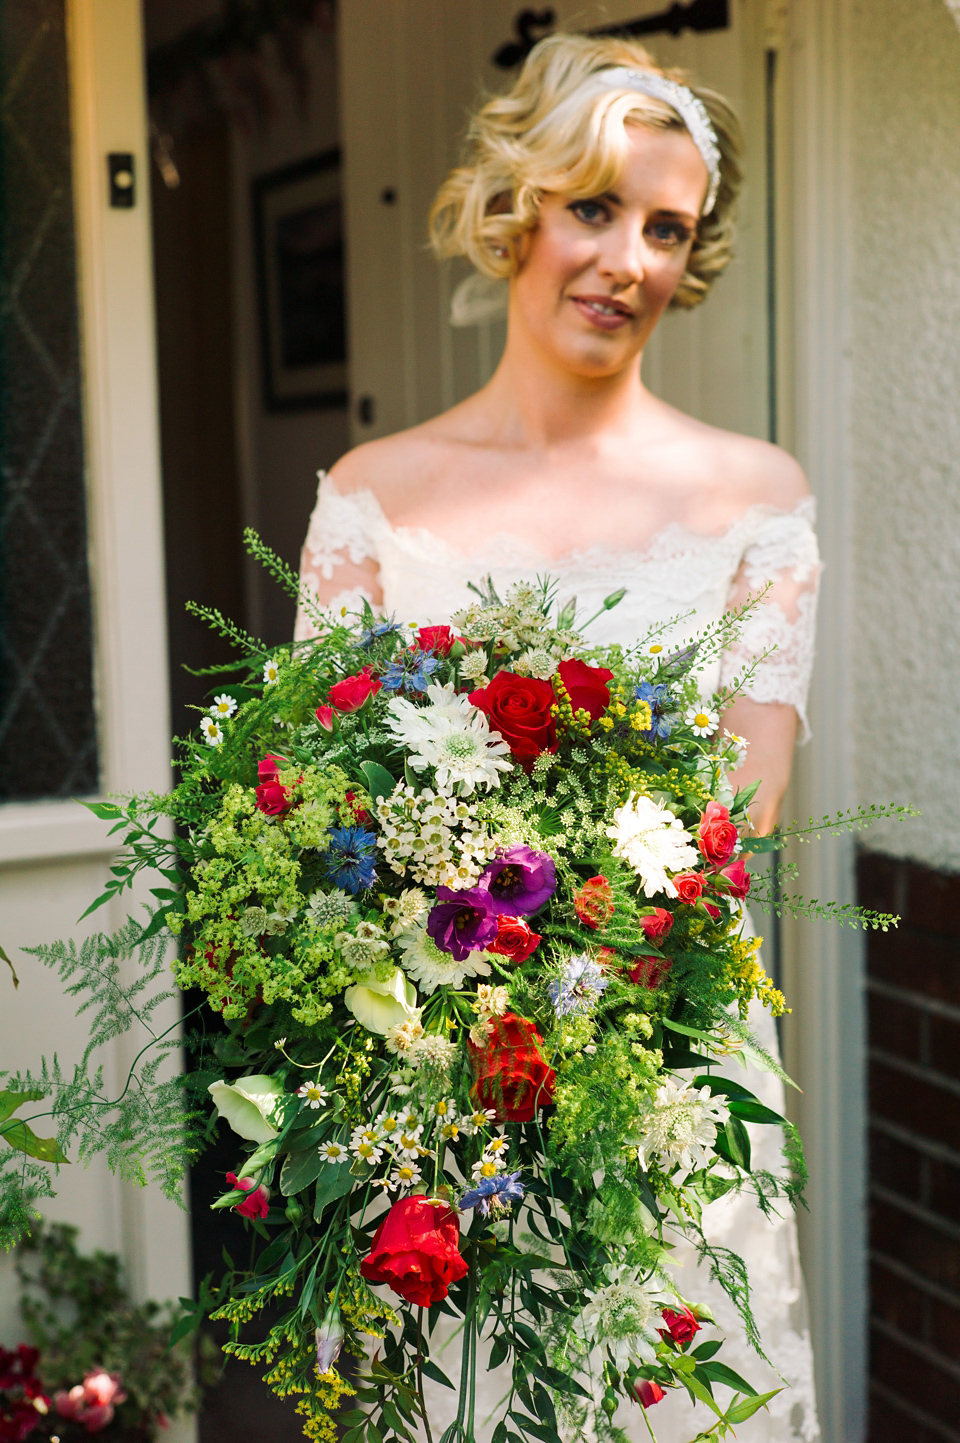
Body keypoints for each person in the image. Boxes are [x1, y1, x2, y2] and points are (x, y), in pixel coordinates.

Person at [295, 33, 821, 1443]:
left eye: (668, 229)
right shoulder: (370, 500)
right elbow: (304, 814)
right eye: (595, 209)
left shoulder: (755, 503)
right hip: (432, 1088)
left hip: (662, 1076)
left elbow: (741, 817)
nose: (629, 261)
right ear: (518, 208)